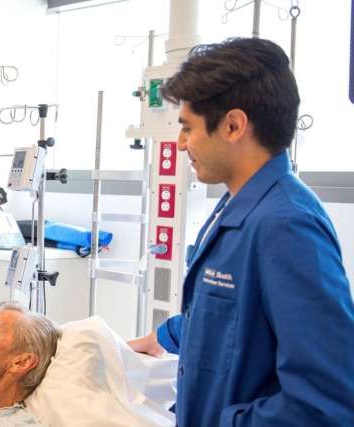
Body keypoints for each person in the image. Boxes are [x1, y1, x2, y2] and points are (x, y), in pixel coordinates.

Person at [128, 38, 354, 426]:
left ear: (233, 125)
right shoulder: (235, 208)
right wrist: (157, 339)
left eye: (188, 128)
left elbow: (327, 401)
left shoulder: (286, 226)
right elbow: (229, 318)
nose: (181, 144)